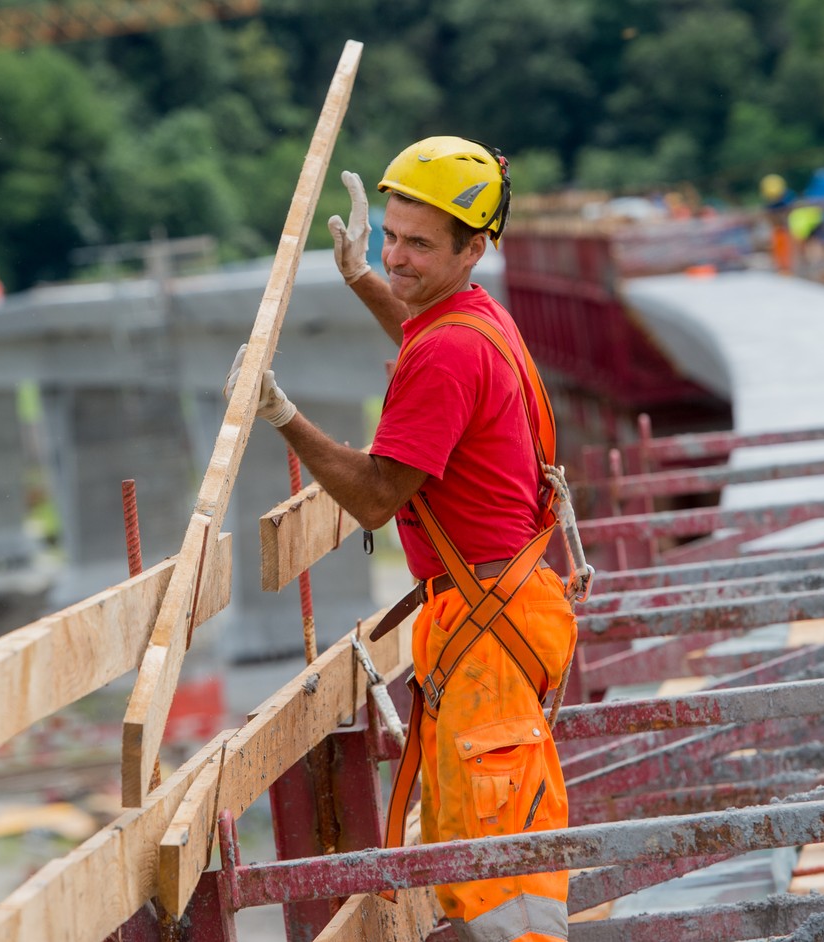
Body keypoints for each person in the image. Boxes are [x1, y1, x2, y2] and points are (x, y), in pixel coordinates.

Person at [226, 137, 576, 941]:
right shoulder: (476, 319)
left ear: (474, 246)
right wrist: (362, 281)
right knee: (476, 836)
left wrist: (281, 416)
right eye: (391, 236)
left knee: (500, 871)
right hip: (509, 608)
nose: (397, 256)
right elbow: (426, 335)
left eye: (418, 244)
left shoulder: (450, 351)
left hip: (487, 630)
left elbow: (379, 497)